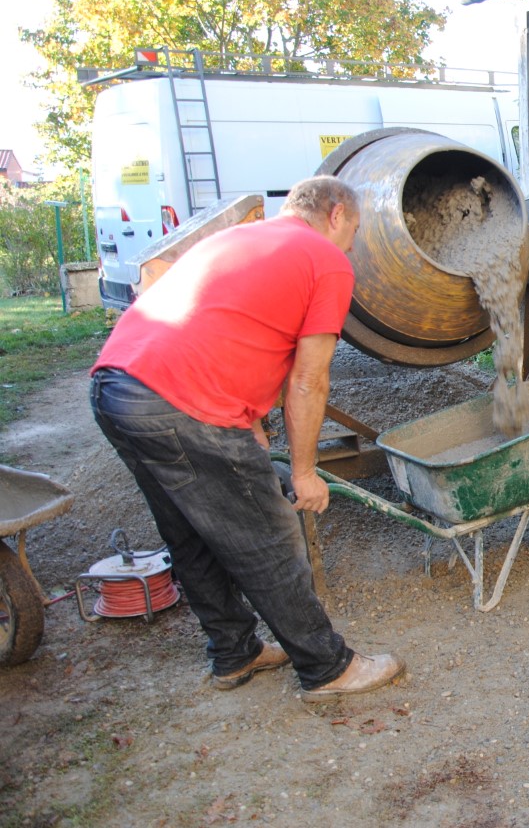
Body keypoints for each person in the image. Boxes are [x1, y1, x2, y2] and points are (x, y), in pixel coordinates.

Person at [89, 175, 404, 703]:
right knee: (269, 536)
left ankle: (234, 653)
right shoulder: (325, 259)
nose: (352, 243)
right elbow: (309, 379)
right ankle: (327, 668)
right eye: (353, 228)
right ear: (333, 214)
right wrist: (304, 474)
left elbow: (231, 329)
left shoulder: (239, 238)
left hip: (116, 386)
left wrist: (249, 424)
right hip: (178, 402)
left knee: (190, 533)